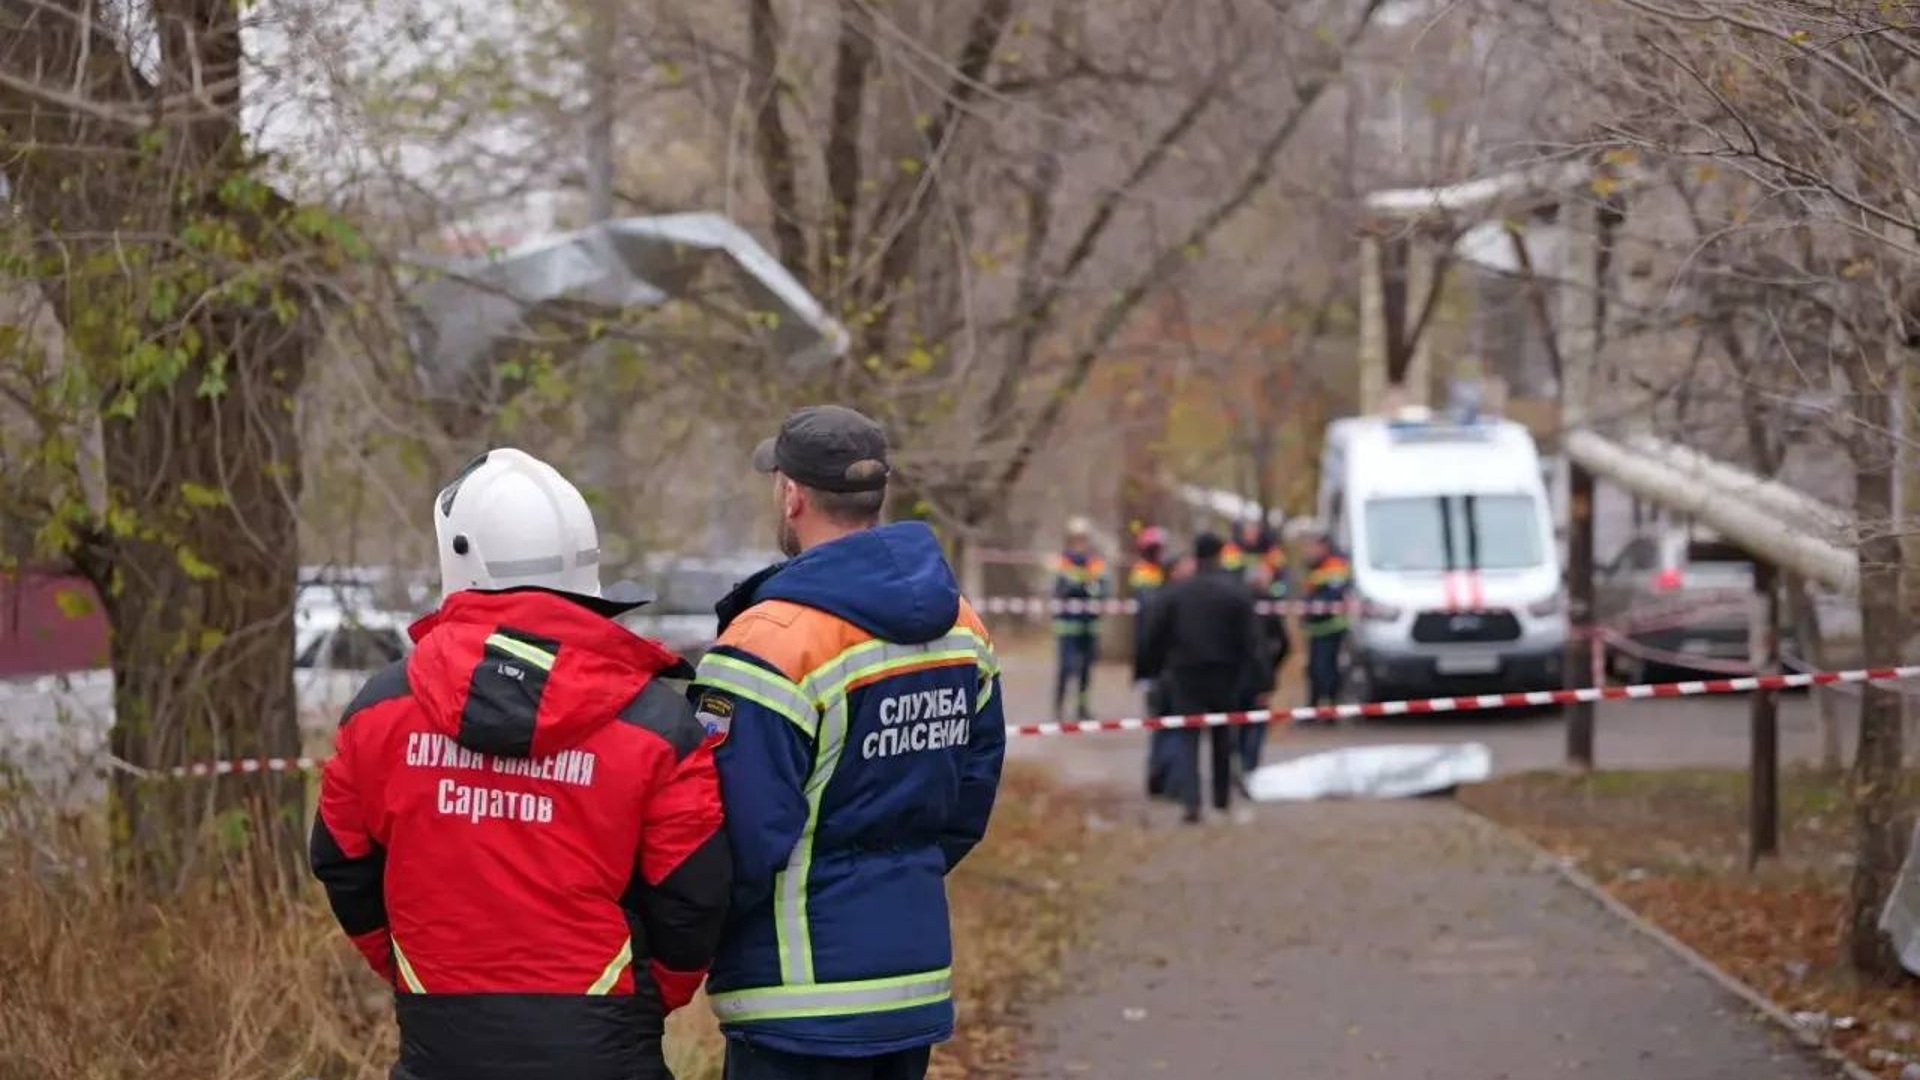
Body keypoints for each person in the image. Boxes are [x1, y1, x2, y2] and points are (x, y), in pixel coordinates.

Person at [311, 449, 731, 1080]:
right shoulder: (656, 726)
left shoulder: (380, 712)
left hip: (440, 1041)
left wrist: (414, 970)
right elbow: (693, 897)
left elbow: (344, 864)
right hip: (605, 1041)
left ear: (460, 555)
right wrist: (643, 998)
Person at [692, 405, 1006, 1080]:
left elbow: (736, 838)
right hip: (911, 978)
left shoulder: (767, 644)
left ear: (792, 494)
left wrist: (684, 942)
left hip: (795, 992)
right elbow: (968, 800)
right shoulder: (963, 626)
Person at [1138, 531, 1263, 825]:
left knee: (1188, 736)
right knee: (1222, 737)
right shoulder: (1235, 592)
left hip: (1185, 673)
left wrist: (1149, 670)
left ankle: (1192, 802)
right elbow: (1251, 640)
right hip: (1224, 674)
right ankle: (1221, 800)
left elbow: (1154, 634)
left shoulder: (1177, 592)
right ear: (1221, 554)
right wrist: (1258, 680)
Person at [1127, 526, 1175, 798]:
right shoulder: (1147, 576)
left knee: (1163, 722)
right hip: (1155, 659)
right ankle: (1159, 779)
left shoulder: (1158, 575)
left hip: (1155, 658)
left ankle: (1162, 778)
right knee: (1161, 721)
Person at [1241, 529, 1292, 771]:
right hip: (1261, 672)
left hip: (1237, 674)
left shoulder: (1236, 601)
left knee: (1237, 720)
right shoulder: (1267, 604)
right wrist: (1272, 668)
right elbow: (1284, 643)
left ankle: (1239, 765)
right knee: (1256, 721)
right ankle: (1250, 767)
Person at [1051, 517, 1107, 721]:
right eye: (1076, 539)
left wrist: (1083, 588)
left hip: (1089, 625)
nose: (1080, 544)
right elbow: (1062, 590)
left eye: (1083, 539)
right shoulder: (1064, 562)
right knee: (1066, 668)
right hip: (1067, 626)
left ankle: (1083, 708)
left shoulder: (1095, 563)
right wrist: (1085, 588)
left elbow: (1102, 590)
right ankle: (1058, 707)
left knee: (1085, 670)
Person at [1301, 528, 1354, 713]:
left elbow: (1333, 594)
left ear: (1324, 546)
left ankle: (1329, 708)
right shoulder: (1313, 566)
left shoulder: (1334, 564)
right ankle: (1314, 707)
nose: (1308, 550)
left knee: (1327, 670)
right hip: (1315, 628)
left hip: (1330, 627)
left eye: (1312, 546)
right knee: (1314, 670)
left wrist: (1315, 607)